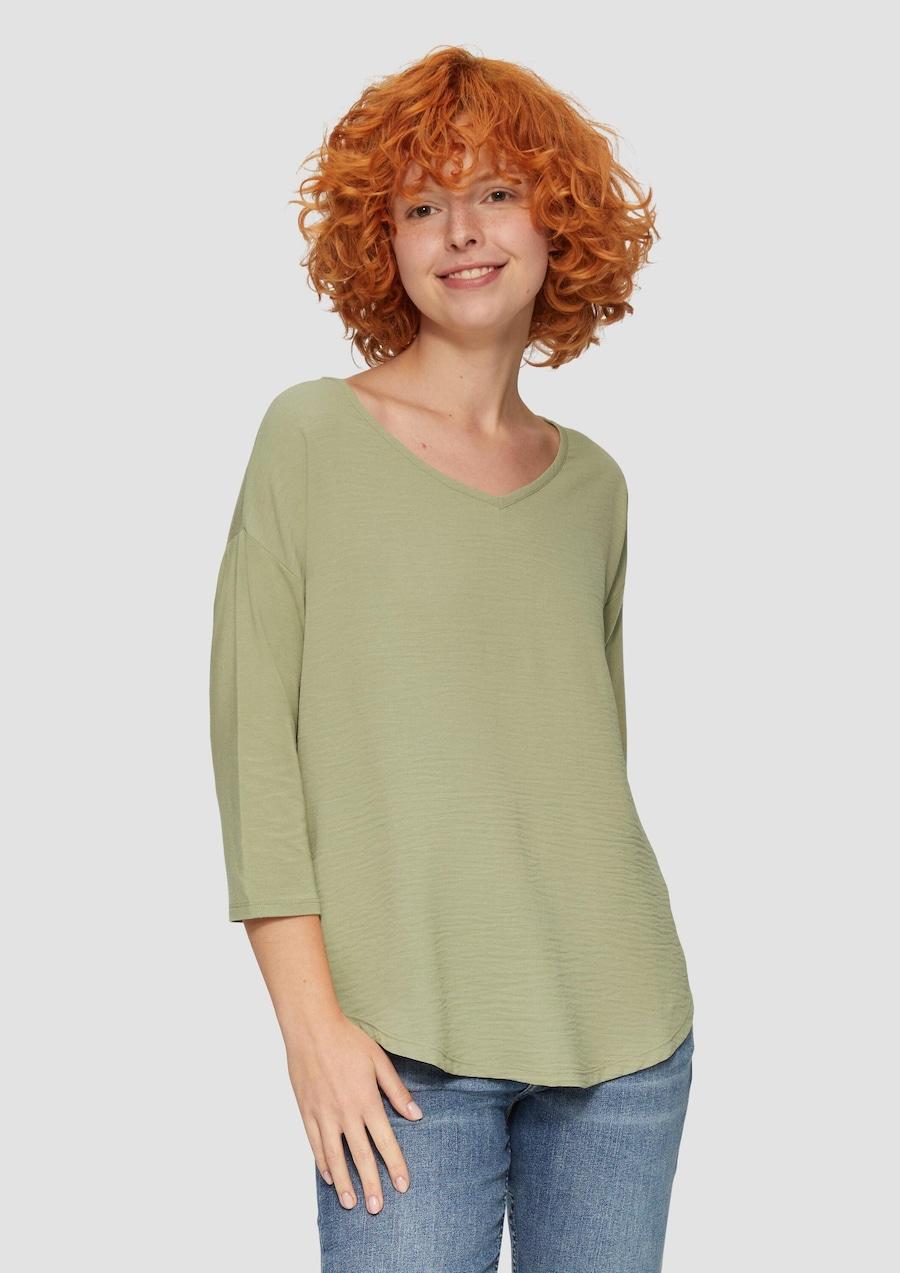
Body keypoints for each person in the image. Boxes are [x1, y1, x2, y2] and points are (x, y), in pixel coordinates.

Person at [209, 45, 695, 1273]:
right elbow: (255, 750)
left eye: (495, 192)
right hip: (398, 1052)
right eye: (422, 205)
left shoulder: (593, 488)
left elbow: (585, 758)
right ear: (382, 241)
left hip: (624, 1037)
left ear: (556, 220)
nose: (462, 230)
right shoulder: (312, 436)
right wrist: (311, 1030)